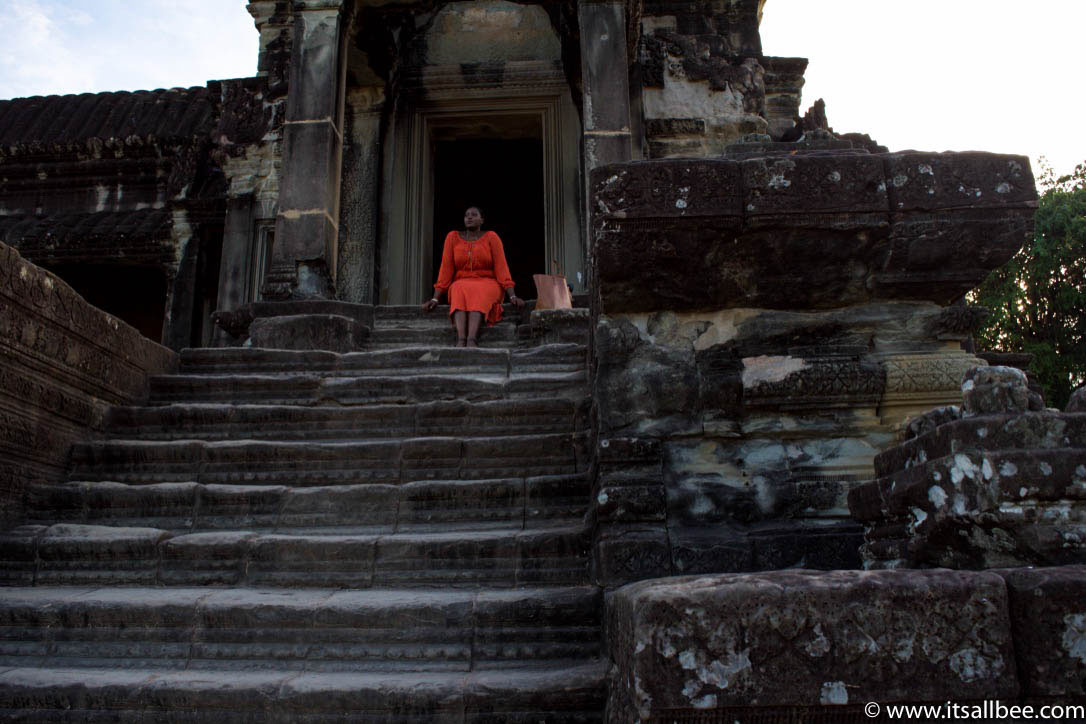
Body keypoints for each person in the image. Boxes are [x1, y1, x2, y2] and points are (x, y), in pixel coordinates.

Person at [422, 206, 525, 346]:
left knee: (478, 290)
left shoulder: (491, 237)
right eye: (466, 215)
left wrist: (512, 295)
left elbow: (502, 268)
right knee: (458, 288)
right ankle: (461, 339)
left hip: (488, 282)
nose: (469, 217)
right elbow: (445, 270)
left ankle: (471, 339)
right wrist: (435, 298)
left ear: (482, 220)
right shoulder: (452, 237)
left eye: (474, 215)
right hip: (461, 282)